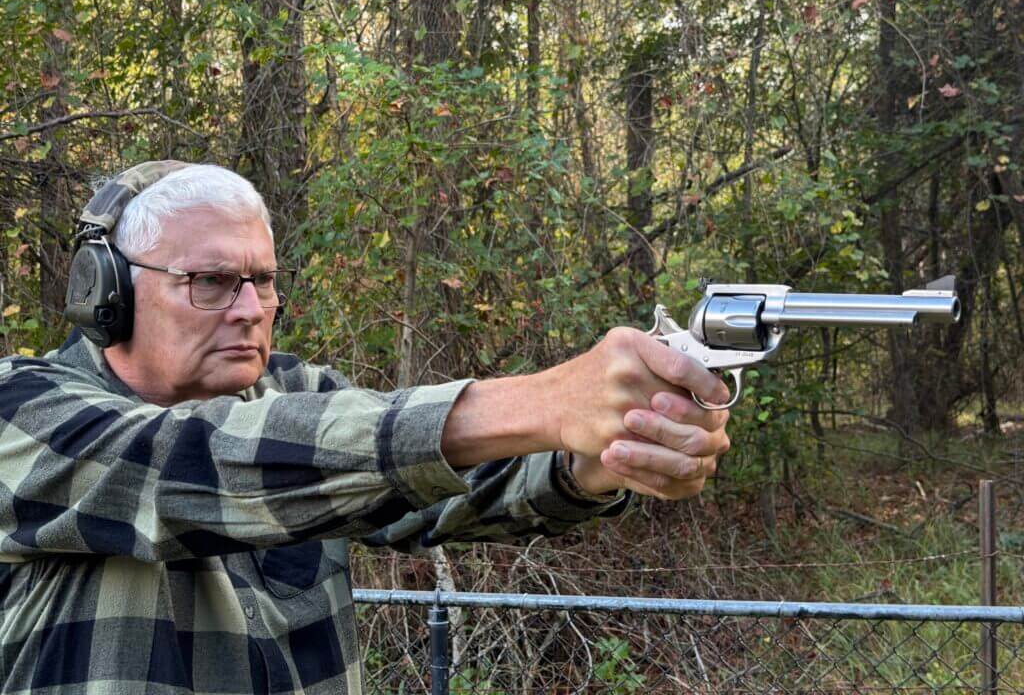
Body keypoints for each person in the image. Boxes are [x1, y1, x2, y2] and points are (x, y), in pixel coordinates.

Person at [0, 161, 730, 694]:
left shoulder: (296, 394)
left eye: (265, 280)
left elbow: (436, 483)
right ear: (107, 291)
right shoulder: (23, 412)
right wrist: (542, 402)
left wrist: (606, 453)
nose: (251, 308)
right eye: (211, 282)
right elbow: (192, 467)